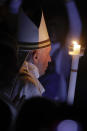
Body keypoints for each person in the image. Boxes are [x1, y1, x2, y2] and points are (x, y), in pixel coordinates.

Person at [10, 7, 51, 108]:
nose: (50, 59)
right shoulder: (29, 85)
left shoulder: (11, 76)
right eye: (48, 53)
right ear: (36, 56)